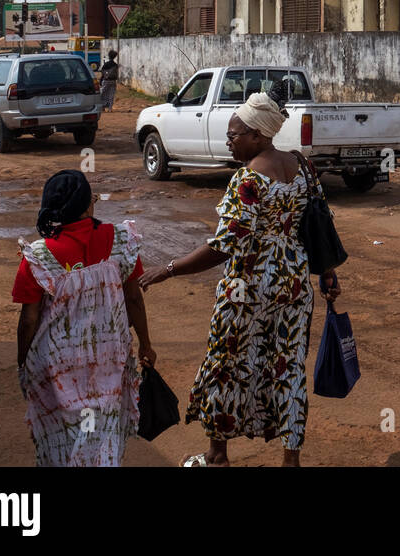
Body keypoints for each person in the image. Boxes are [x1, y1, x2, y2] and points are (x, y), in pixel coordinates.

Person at [140, 92, 339, 467]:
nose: (228, 141)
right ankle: (291, 460)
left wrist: (168, 269)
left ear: (259, 136)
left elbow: (223, 246)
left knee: (226, 365)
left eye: (234, 135)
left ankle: (217, 456)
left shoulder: (247, 181)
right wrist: (327, 273)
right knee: (288, 367)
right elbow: (320, 225)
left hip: (248, 287)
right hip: (294, 284)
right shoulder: (302, 166)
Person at [13, 169, 155, 466]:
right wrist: (145, 344)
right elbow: (133, 299)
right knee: (102, 428)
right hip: (109, 357)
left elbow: (29, 320)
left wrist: (23, 360)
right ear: (89, 204)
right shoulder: (120, 242)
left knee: (64, 433)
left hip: (57, 363)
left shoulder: (39, 256)